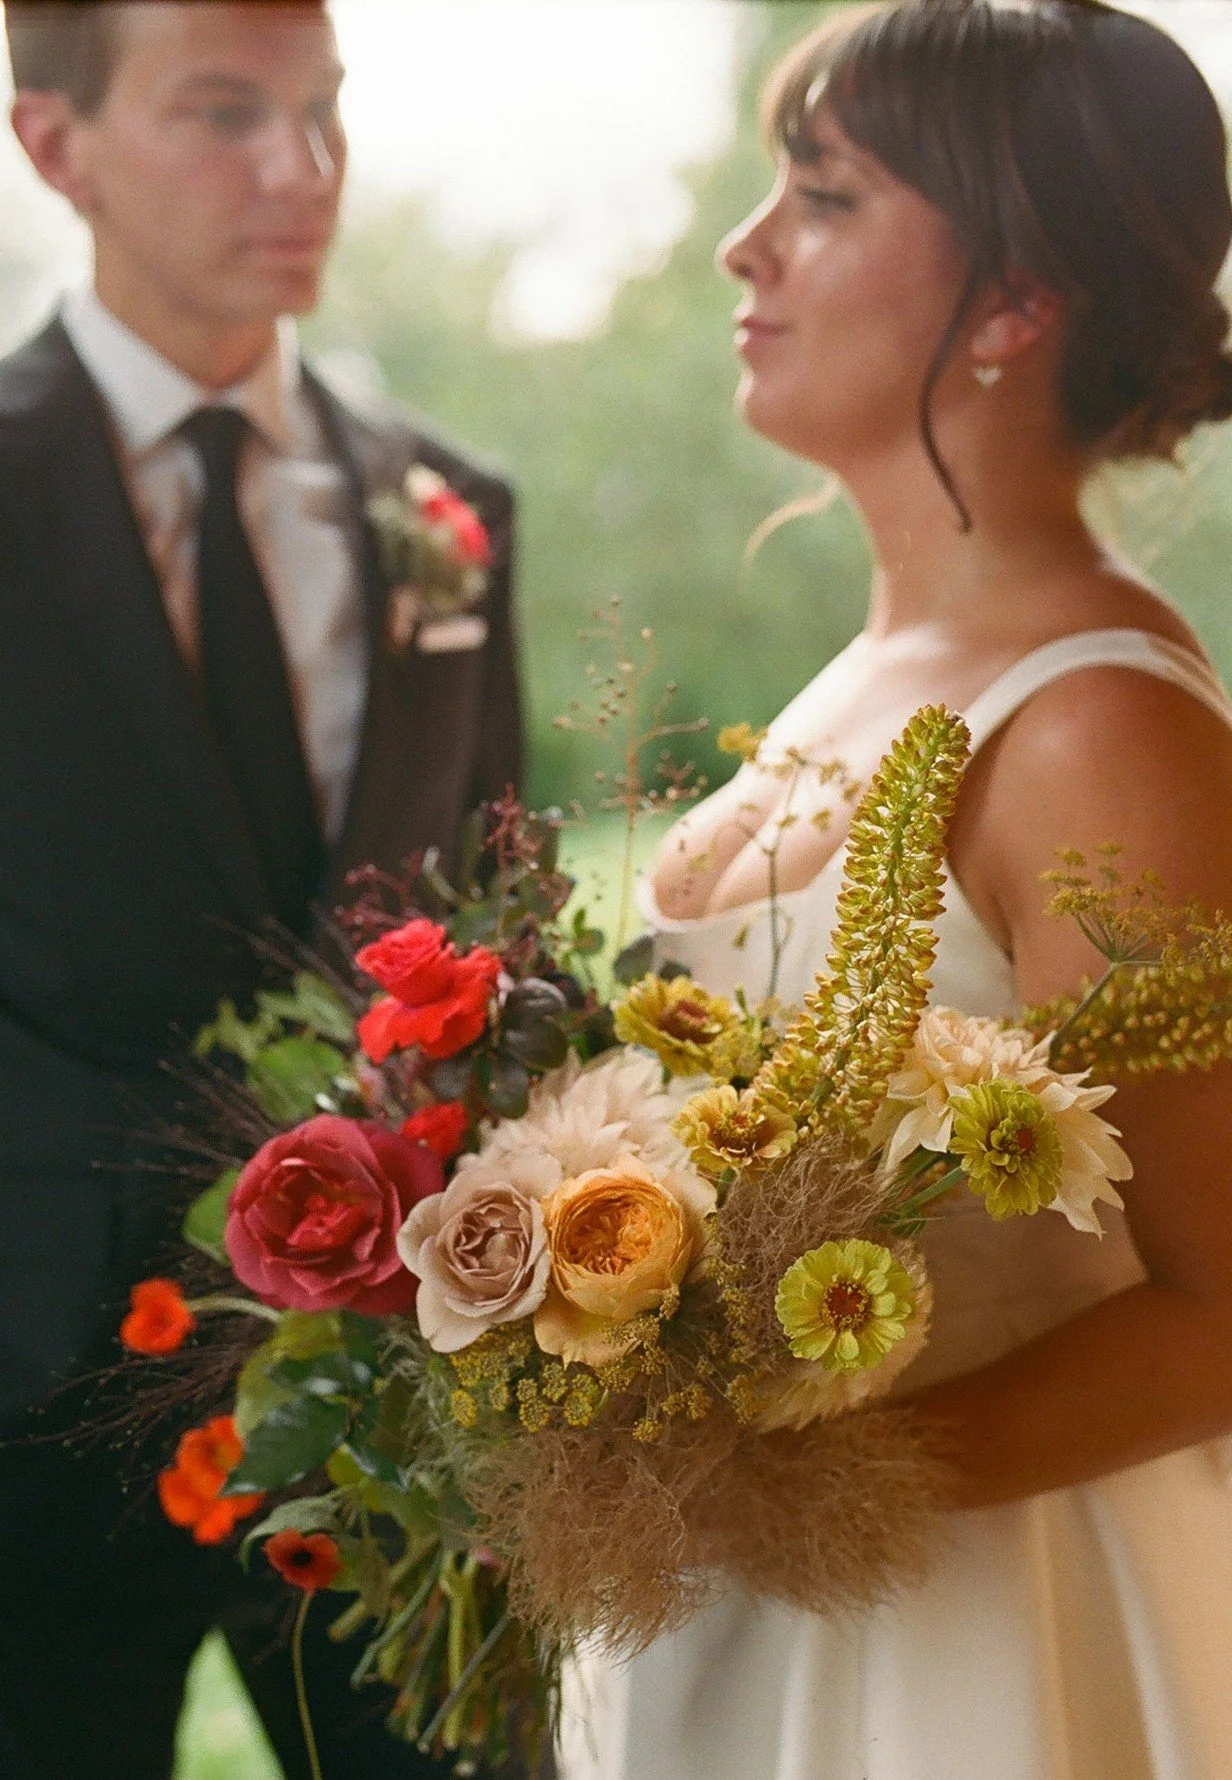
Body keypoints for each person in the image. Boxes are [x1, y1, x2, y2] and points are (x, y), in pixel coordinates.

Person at [0, 4, 520, 1777]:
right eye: (225, 116)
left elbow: (490, 939)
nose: (302, 172)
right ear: (57, 145)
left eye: (323, 114)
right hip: (14, 1413)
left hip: (399, 1410)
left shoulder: (450, 507)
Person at [560, 2, 1232, 1776]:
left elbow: (1224, 1306)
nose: (745, 243)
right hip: (731, 1630)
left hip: (972, 1655)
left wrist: (779, 1490)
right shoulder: (864, 666)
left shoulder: (1095, 727)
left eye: (828, 194)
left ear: (1016, 300)